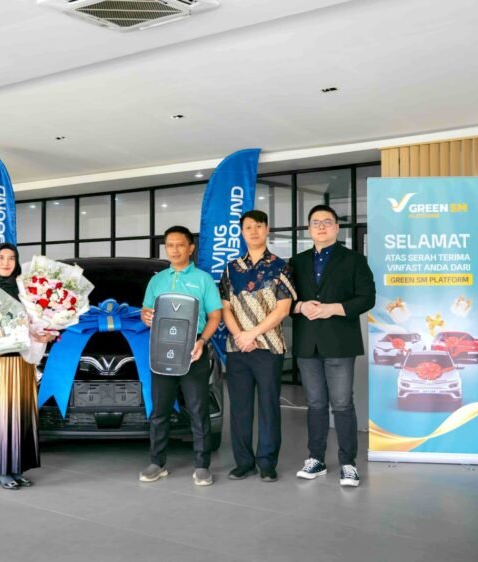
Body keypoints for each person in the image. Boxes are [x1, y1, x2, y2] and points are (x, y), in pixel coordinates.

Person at [289, 205, 375, 487]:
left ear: (337, 228)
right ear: (309, 229)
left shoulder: (354, 260)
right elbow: (283, 300)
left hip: (339, 342)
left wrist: (333, 308)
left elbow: (367, 297)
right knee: (315, 404)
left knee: (342, 404)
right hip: (307, 343)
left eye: (327, 222)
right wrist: (300, 306)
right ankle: (316, 459)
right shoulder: (297, 262)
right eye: (316, 222)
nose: (322, 227)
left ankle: (348, 463)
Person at [138, 226, 223, 486]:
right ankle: (157, 463)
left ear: (190, 248)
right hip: (162, 349)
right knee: (159, 411)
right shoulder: (157, 280)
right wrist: (145, 316)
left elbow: (215, 316)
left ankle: (202, 465)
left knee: (198, 410)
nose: (174, 250)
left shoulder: (203, 279)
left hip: (193, 351)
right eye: (170, 245)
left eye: (180, 245)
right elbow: (145, 310)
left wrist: (202, 341)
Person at [219, 210, 295, 483]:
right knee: (240, 408)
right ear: (242, 232)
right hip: (237, 347)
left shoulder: (280, 266)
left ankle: (267, 463)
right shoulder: (231, 268)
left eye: (259, 226)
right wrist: (240, 335)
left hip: (269, 348)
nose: (253, 231)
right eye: (248, 227)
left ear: (267, 230)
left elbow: (283, 309)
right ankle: (244, 463)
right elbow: (225, 308)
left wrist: (252, 334)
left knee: (268, 407)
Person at [0, 243, 56, 490]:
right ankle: (2, 469)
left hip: (21, 361)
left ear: (17, 262)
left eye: (11, 258)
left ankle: (17, 467)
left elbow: (33, 326)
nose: (6, 263)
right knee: (0, 415)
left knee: (20, 414)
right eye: (1, 258)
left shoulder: (26, 293)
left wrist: (46, 334)